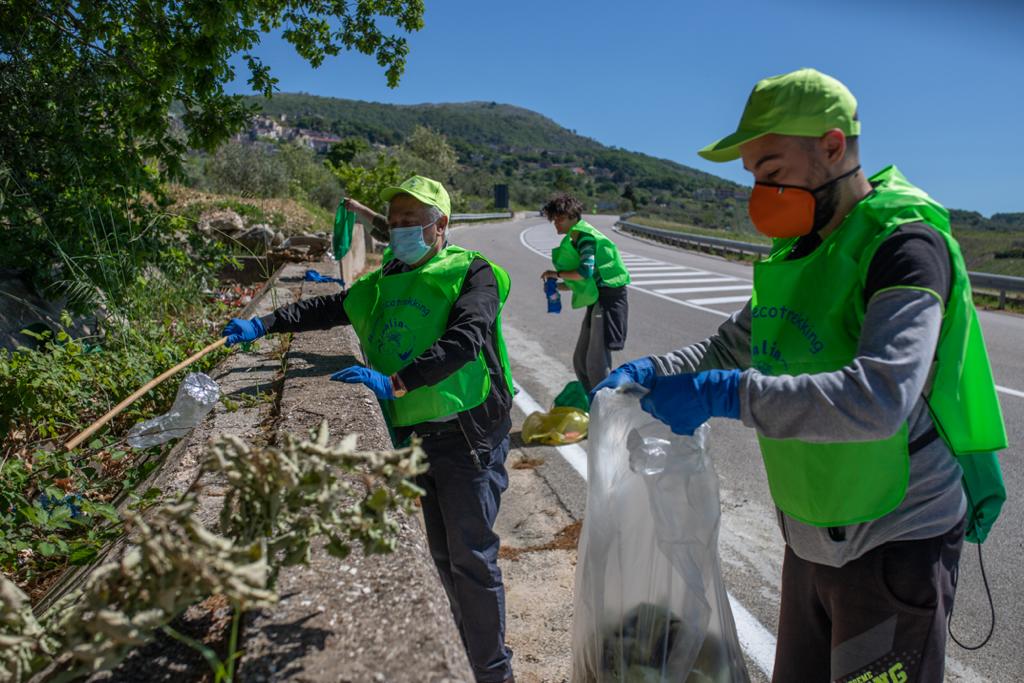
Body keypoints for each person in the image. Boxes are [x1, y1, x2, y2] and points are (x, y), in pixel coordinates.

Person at [593, 68, 1007, 682]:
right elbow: (731, 346)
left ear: (833, 147)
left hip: (893, 537)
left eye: (773, 170)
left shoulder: (904, 247)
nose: (761, 190)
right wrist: (648, 372)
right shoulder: (800, 256)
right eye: (755, 176)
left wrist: (726, 395)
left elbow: (881, 396)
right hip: (812, 533)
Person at [222, 176, 517, 683]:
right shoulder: (384, 281)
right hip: (416, 438)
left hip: (468, 435)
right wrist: (265, 324)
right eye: (395, 219)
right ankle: (463, 651)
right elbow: (330, 307)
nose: (400, 228)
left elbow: (468, 336)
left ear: (440, 225)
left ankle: (493, 673)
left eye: (412, 220)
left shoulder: (473, 272)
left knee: (471, 555)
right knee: (443, 553)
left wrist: (397, 381)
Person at [539, 193, 630, 393]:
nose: (556, 224)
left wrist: (556, 274)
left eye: (560, 219)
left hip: (608, 300)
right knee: (580, 360)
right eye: (554, 220)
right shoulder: (575, 237)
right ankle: (592, 404)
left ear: (573, 216)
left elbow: (584, 272)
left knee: (595, 363)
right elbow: (582, 281)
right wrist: (556, 285)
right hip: (597, 298)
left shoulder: (584, 236)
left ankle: (606, 410)